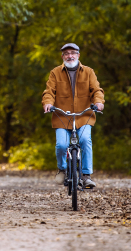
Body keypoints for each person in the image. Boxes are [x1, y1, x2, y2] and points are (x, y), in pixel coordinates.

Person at [42, 43, 105, 188]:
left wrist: (99, 102)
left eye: (73, 52)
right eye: (66, 53)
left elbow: (96, 90)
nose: (70, 55)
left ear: (78, 55)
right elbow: (49, 92)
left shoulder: (89, 72)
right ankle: (62, 169)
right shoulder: (55, 72)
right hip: (62, 116)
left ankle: (86, 175)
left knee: (85, 140)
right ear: (62, 56)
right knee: (61, 145)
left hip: (84, 116)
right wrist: (48, 103)